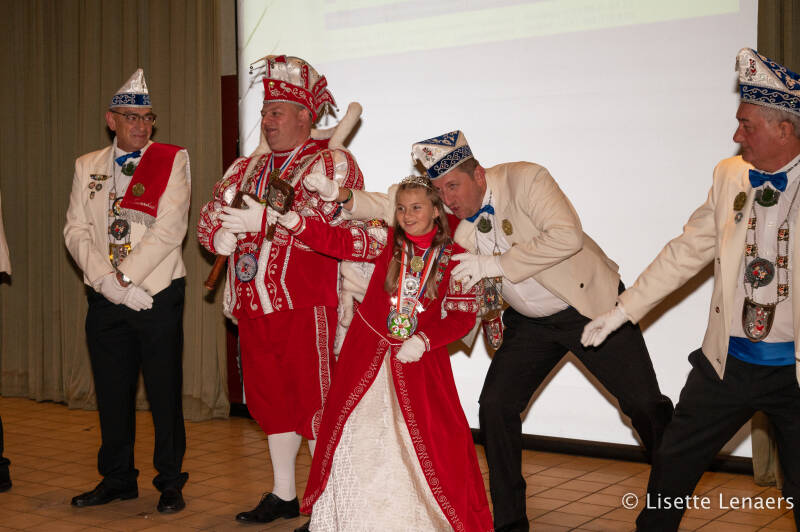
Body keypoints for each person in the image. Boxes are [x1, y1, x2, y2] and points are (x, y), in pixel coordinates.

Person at [314, 131, 674, 532]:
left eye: (453, 186)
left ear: (479, 174)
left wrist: (496, 265)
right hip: (528, 323)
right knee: (496, 407)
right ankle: (509, 522)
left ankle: (667, 506)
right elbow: (395, 203)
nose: (447, 199)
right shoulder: (450, 209)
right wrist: (345, 197)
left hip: (589, 307)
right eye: (439, 190)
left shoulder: (527, 179)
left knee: (644, 406)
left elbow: (566, 236)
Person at [581, 48, 800, 531]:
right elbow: (685, 252)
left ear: (784, 129)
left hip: (795, 373)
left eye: (747, 124)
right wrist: (622, 310)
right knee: (672, 471)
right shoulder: (729, 175)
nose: (736, 134)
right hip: (728, 362)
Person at [268, 175, 493, 531]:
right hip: (366, 358)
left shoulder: (458, 259)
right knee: (354, 438)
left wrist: (424, 341)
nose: (407, 215)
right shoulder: (385, 241)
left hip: (418, 365)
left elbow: (463, 319)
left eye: (416, 207)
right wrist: (297, 224)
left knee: (425, 445)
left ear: (437, 211)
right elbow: (338, 241)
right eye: (401, 208)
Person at [196, 55, 364, 527]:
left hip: (305, 302)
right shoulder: (245, 168)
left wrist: (265, 221)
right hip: (253, 305)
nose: (266, 121)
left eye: (277, 112)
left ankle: (329, 501)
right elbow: (210, 215)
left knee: (314, 401)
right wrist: (218, 237)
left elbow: (332, 225)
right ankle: (284, 494)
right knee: (271, 404)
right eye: (265, 111)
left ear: (306, 116)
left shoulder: (331, 162)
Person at [64, 69, 190, 513]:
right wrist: (106, 283)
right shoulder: (87, 165)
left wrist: (125, 279)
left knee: (163, 391)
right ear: (110, 120)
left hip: (156, 294)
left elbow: (170, 230)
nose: (140, 126)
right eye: (130, 117)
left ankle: (170, 481)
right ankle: (117, 478)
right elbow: (75, 230)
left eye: (147, 117)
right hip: (105, 297)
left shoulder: (171, 159)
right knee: (112, 391)